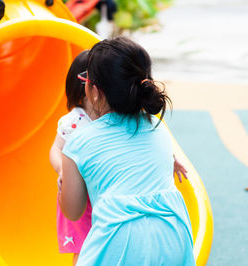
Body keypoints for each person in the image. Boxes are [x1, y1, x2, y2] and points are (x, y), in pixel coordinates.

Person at [59, 37, 195, 265]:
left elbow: (73, 212)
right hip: (175, 236)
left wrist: (64, 186)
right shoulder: (157, 128)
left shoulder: (78, 143)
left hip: (119, 243)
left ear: (94, 91)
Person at [50, 50, 95, 265]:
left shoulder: (114, 115)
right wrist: (61, 169)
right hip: (79, 196)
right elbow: (56, 149)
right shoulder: (75, 121)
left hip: (103, 193)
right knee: (84, 248)